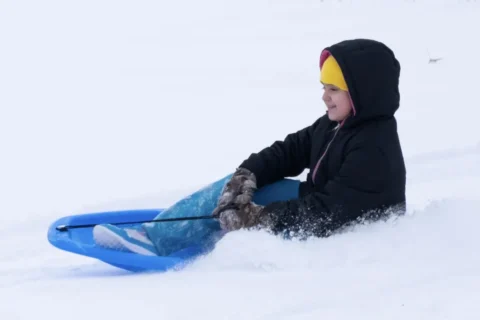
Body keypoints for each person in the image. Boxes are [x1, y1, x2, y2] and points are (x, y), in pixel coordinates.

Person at [93, 38, 406, 256]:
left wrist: (261, 218)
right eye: (324, 87)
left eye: (334, 89)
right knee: (240, 189)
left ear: (363, 92)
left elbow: (330, 211)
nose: (325, 96)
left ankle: (153, 241)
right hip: (319, 204)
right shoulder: (337, 122)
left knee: (252, 205)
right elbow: (290, 150)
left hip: (342, 228)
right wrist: (248, 174)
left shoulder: (374, 150)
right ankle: (161, 233)